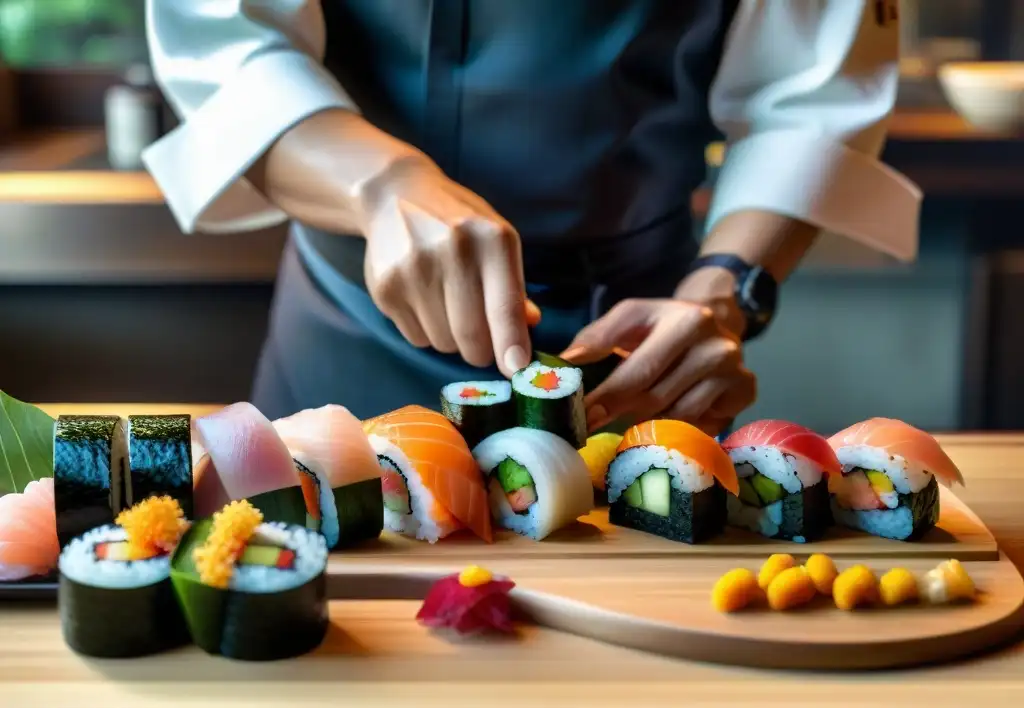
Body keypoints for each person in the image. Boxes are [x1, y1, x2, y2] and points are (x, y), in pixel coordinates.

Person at [142, 0, 920, 434]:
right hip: (349, 330)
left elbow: (811, 98)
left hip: (641, 347)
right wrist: (381, 187)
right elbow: (228, 47)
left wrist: (722, 292)